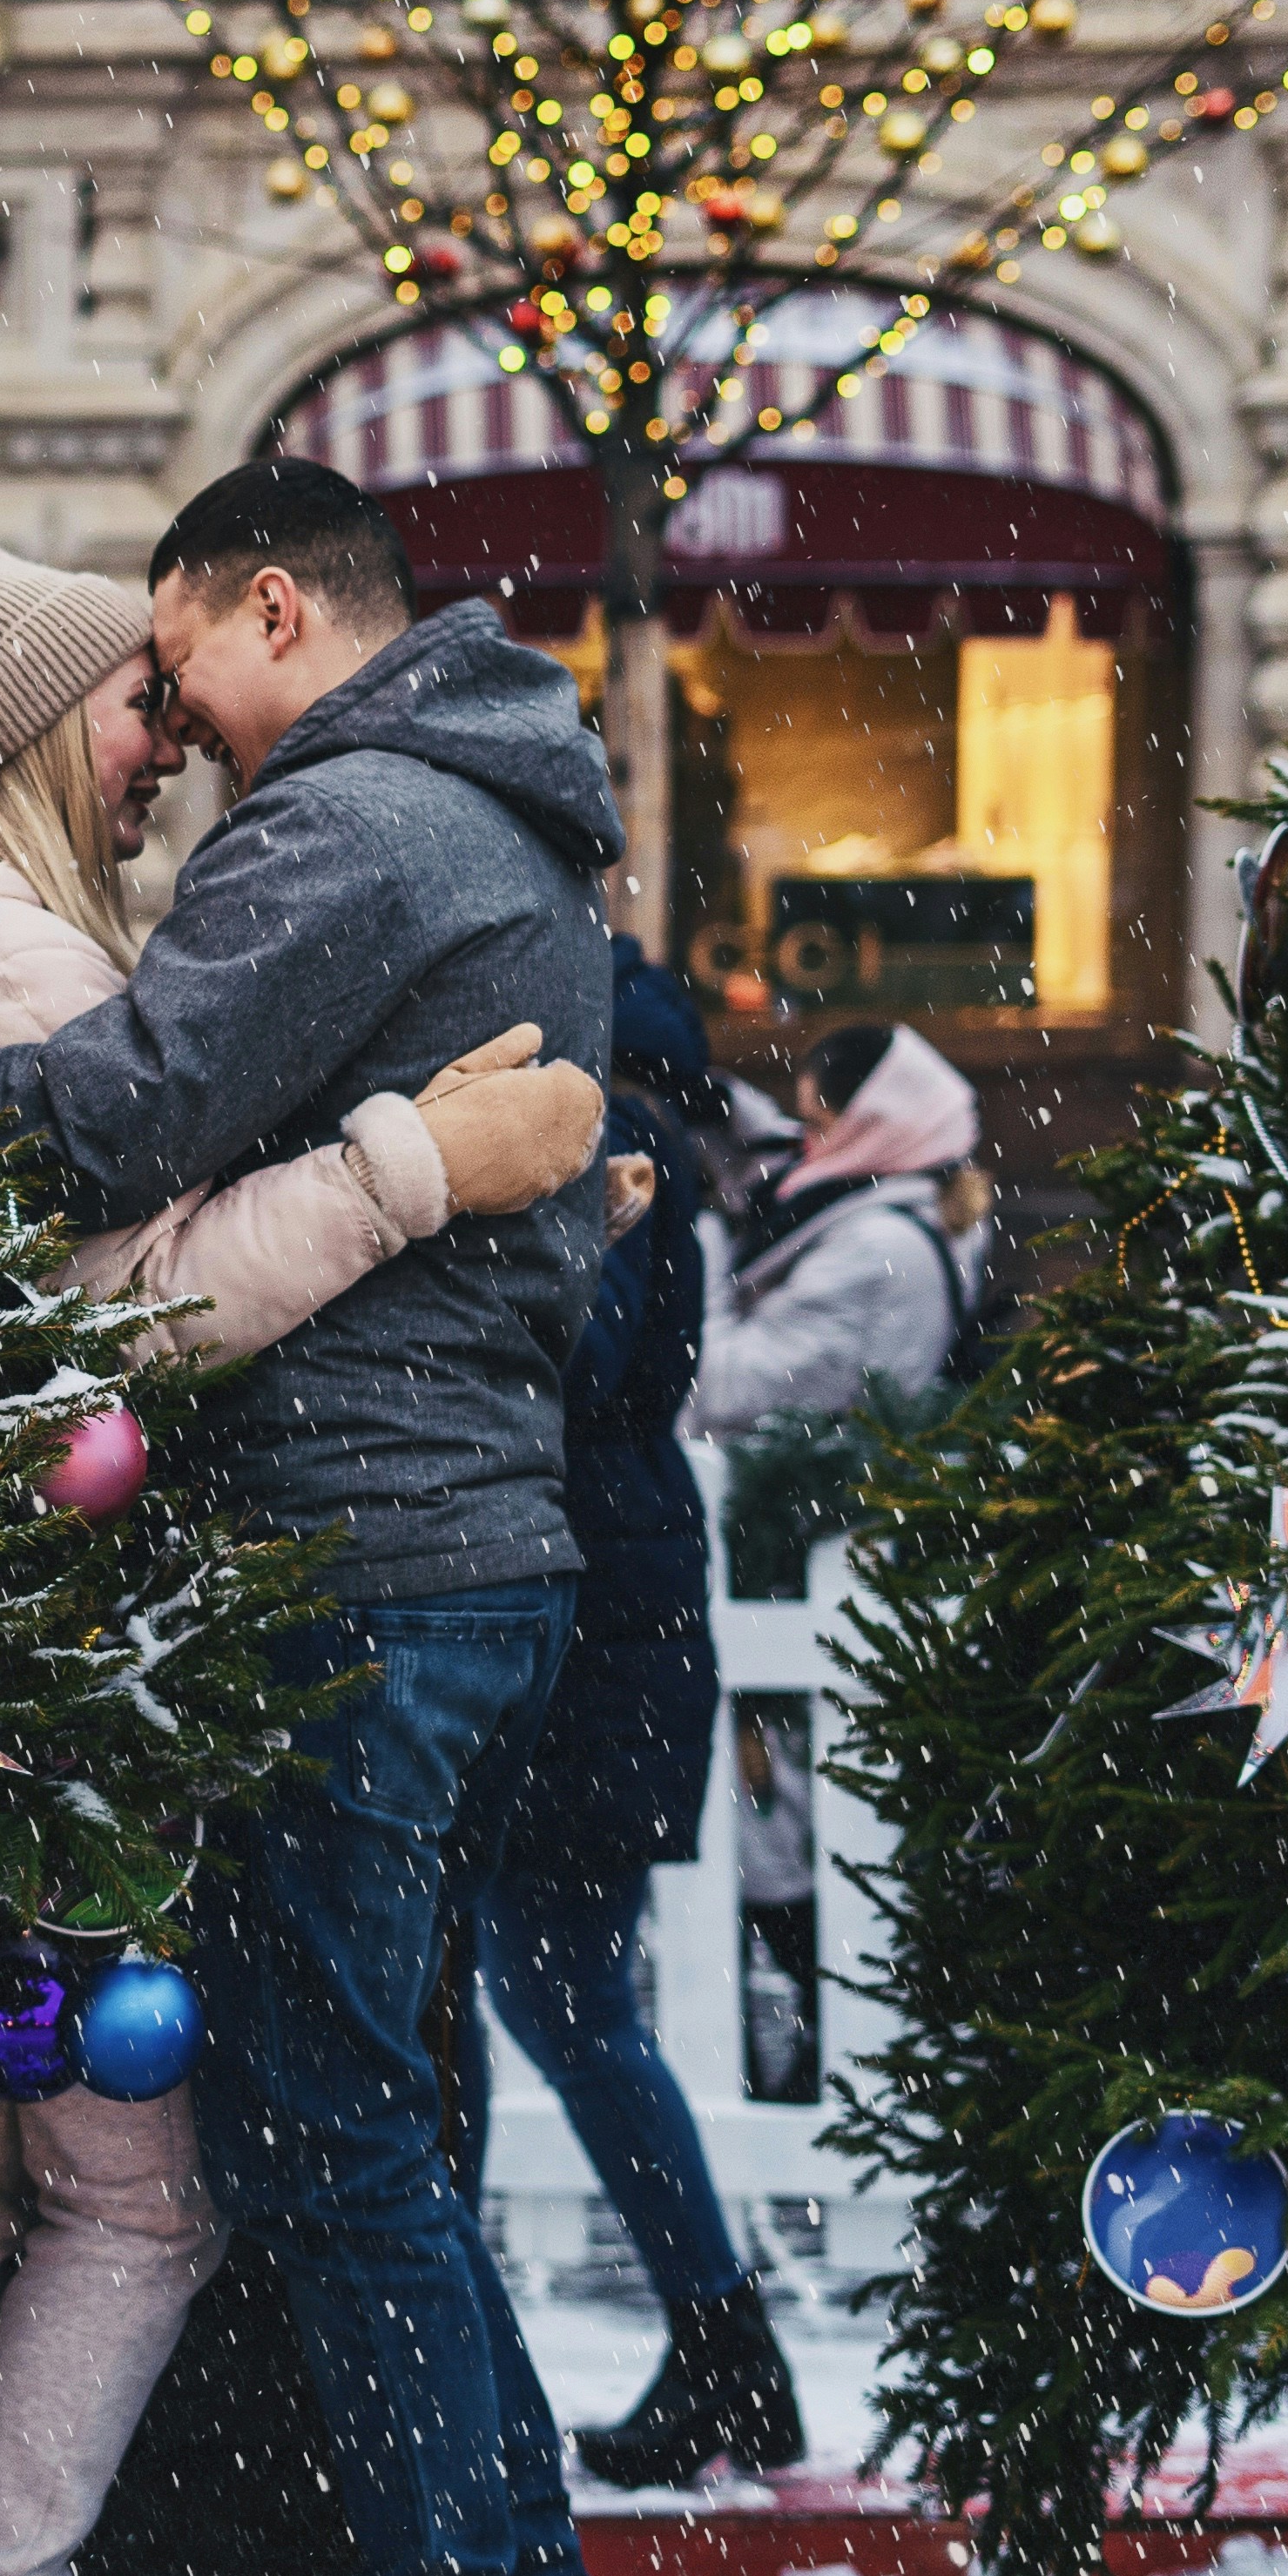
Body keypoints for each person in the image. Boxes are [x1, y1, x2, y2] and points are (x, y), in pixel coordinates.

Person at [0, 462, 605, 2576]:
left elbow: (120, 1130)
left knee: (331, 2148)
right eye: (125, 701)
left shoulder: (345, 827)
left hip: (367, 1547)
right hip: (444, 1548)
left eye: (176, 667)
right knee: (366, 2142)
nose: (171, 730)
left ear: (268, 609)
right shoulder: (496, 808)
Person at [462, 950, 809, 2492]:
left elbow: (581, 1358)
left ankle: (725, 2349)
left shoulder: (613, 1145)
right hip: (622, 1591)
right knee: (558, 1998)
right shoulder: (649, 1132)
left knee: (559, 2000)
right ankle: (726, 2349)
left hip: (595, 1605)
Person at [689, 1020, 991, 1436]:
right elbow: (789, 1164)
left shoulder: (878, 1249)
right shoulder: (925, 1195)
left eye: (818, 1126)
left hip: (796, 1487)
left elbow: (723, 1389)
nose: (805, 1147)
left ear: (868, 1131)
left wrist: (701, 1237)